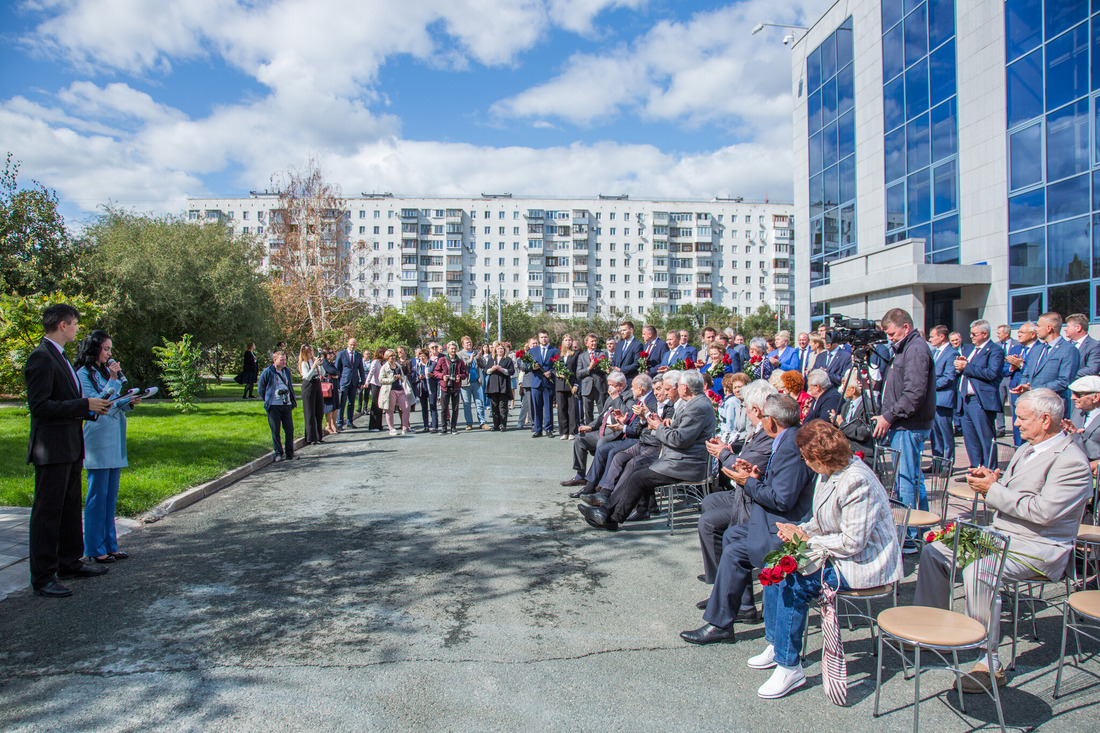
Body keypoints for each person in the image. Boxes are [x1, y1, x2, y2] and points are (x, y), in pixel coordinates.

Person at [914, 388, 1093, 692]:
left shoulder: (1071, 462)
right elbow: (1015, 491)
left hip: (1039, 546)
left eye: (1023, 418)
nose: (1017, 424)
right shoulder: (1027, 449)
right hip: (1003, 535)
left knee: (979, 570)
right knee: (935, 551)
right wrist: (993, 480)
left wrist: (992, 491)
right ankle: (932, 633)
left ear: (1045, 420)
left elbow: (1044, 512)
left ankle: (989, 661)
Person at [747, 419, 903, 699]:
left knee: (794, 578)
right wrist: (800, 531)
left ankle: (789, 667)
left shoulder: (857, 480)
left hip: (865, 561)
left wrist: (807, 540)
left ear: (820, 458)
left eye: (807, 459)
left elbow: (853, 542)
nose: (805, 464)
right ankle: (776, 643)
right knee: (775, 565)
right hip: (840, 551)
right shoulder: (829, 473)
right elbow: (821, 520)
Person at [680, 395, 815, 642]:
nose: (761, 421)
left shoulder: (790, 446)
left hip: (788, 529)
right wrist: (756, 475)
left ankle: (719, 624)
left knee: (734, 550)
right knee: (732, 534)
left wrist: (748, 482)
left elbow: (782, 500)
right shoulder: (787, 439)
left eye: (763, 417)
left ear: (772, 422)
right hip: (775, 518)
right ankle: (742, 607)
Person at [25, 304, 111, 597]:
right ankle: (43, 576)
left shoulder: (60, 358)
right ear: (62, 325)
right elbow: (39, 406)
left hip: (71, 446)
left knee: (70, 507)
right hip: (51, 449)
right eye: (74, 323)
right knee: (47, 513)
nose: (77, 328)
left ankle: (69, 562)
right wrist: (83, 405)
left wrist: (90, 408)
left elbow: (69, 402)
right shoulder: (41, 358)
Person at [578, 371, 714, 531]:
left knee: (638, 477)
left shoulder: (697, 407)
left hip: (686, 464)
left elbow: (679, 439)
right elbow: (681, 434)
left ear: (684, 387)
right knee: (636, 470)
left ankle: (611, 517)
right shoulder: (695, 403)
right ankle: (606, 512)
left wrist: (659, 426)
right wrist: (664, 424)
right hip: (679, 459)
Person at [698, 379, 778, 584]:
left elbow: (745, 466)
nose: (744, 411)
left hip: (754, 498)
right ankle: (718, 575)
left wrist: (723, 453)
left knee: (708, 523)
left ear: (756, 410)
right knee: (709, 502)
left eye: (745, 407)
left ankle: (725, 584)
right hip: (743, 492)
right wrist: (727, 449)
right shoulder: (758, 429)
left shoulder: (768, 433)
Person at [75, 329, 140, 565]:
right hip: (98, 438)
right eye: (106, 349)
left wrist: (129, 401)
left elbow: (114, 403)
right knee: (97, 496)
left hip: (115, 436)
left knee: (110, 497)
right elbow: (98, 404)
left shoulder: (104, 373)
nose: (110, 354)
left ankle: (111, 545)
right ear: (94, 349)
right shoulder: (83, 374)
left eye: (110, 349)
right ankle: (94, 547)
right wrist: (113, 381)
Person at [871, 308, 935, 548]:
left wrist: (889, 416)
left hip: (908, 425)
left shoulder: (916, 349)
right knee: (912, 480)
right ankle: (922, 531)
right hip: (904, 424)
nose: (890, 338)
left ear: (906, 327)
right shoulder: (904, 348)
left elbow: (914, 393)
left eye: (892, 333)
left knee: (905, 480)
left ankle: (908, 536)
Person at [585, 372, 680, 512]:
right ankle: (605, 493)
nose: (658, 393)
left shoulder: (668, 407)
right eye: (656, 389)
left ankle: (613, 503)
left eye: (662, 389)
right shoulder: (653, 405)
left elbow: (656, 431)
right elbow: (641, 426)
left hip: (655, 446)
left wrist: (642, 418)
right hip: (643, 442)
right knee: (618, 456)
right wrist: (633, 419)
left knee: (632, 463)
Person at [561, 372, 633, 491]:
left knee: (602, 443)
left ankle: (597, 480)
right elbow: (602, 415)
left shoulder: (629, 395)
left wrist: (616, 398)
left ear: (620, 385)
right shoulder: (611, 395)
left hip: (616, 432)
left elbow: (627, 414)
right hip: (602, 429)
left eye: (611, 385)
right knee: (580, 439)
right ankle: (580, 475)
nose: (609, 388)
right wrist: (590, 427)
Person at [955, 319, 1007, 473]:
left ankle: (989, 470)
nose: (971, 337)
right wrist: (962, 366)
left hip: (981, 400)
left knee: (985, 437)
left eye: (974, 334)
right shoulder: (972, 350)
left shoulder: (994, 350)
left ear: (985, 334)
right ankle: (975, 468)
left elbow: (992, 373)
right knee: (970, 438)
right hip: (966, 400)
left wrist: (967, 367)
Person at [1013, 311, 1080, 419]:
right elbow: (1026, 373)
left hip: (1052, 408)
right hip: (1032, 406)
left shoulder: (1069, 350)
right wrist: (1023, 387)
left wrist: (1033, 389)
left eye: (1038, 326)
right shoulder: (1036, 350)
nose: (1036, 329)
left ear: (1049, 328)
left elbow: (1064, 381)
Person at [258, 350, 297, 461]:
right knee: (275, 430)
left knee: (289, 429)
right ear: (275, 360)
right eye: (281, 360)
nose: (284, 362)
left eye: (285, 359)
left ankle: (290, 454)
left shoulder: (286, 371)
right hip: (274, 405)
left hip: (286, 404)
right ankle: (278, 453)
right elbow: (261, 389)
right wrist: (268, 399)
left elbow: (289, 385)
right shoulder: (268, 372)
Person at [928, 325, 959, 464]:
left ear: (942, 337)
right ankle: (937, 463)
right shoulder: (935, 352)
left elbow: (949, 377)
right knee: (935, 434)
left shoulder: (951, 353)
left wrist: (930, 385)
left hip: (943, 399)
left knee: (945, 434)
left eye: (933, 336)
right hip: (933, 400)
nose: (930, 339)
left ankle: (947, 464)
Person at [1005, 322, 1038, 445]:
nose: (1018, 335)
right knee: (1017, 425)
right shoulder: (1015, 349)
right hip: (1016, 392)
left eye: (1022, 332)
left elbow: (1036, 370)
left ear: (1033, 334)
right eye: (1018, 332)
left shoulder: (1039, 348)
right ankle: (1018, 449)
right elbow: (1004, 369)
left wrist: (1021, 365)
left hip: (1030, 391)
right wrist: (1011, 367)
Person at [833, 368, 875, 458]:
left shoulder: (869, 406)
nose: (842, 388)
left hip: (862, 453)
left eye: (844, 385)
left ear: (853, 390)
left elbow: (864, 433)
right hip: (847, 451)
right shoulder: (846, 405)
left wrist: (842, 424)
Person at [1065, 375, 1100, 470]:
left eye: (1078, 395)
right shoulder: (1078, 412)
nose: (1072, 398)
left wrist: (1076, 436)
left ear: (1096, 397)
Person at [529, 330, 559, 437]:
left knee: (548, 407)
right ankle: (537, 429)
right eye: (541, 337)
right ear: (538, 338)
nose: (544, 339)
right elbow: (525, 365)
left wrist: (551, 372)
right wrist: (532, 367)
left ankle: (549, 429)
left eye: (545, 337)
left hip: (548, 383)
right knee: (537, 408)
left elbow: (558, 366)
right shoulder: (533, 351)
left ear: (548, 338)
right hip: (536, 383)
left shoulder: (554, 351)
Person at [433, 342, 467, 435]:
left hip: (456, 387)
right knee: (444, 408)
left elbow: (464, 374)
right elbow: (436, 371)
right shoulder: (442, 360)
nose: (453, 350)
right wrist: (442, 376)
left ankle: (453, 427)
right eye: (451, 349)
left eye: (455, 349)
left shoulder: (460, 361)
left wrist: (459, 376)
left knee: (455, 408)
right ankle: (444, 428)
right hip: (445, 387)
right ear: (447, 349)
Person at [575, 333, 608, 424]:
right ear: (586, 343)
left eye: (595, 341)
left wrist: (595, 366)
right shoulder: (581, 356)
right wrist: (588, 368)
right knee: (588, 411)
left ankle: (602, 428)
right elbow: (578, 373)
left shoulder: (602, 354)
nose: (594, 343)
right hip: (587, 388)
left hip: (599, 386)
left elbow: (605, 369)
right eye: (592, 341)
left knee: (602, 410)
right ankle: (590, 429)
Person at [378, 349, 412, 436]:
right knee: (390, 410)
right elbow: (381, 379)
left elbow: (403, 376)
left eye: (394, 355)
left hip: (400, 389)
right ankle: (391, 428)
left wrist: (401, 378)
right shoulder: (384, 367)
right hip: (390, 390)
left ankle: (405, 427)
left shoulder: (397, 365)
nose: (393, 357)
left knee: (406, 407)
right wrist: (392, 379)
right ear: (387, 357)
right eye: (391, 356)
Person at [334, 338, 366, 429]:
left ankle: (350, 422)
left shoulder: (358, 355)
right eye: (351, 344)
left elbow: (361, 369)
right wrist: (338, 382)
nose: (352, 346)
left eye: (354, 345)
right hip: (343, 381)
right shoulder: (341, 354)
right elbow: (337, 369)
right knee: (342, 402)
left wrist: (362, 381)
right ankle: (339, 423)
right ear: (348, 344)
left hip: (354, 382)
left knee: (351, 403)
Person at [483, 342, 515, 431]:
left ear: (504, 350)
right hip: (493, 385)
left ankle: (503, 425)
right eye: (498, 349)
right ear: (495, 350)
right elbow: (485, 371)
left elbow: (511, 371)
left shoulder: (507, 359)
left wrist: (502, 369)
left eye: (501, 349)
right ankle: (496, 425)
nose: (500, 350)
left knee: (503, 406)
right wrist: (492, 369)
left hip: (503, 384)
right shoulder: (491, 359)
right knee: (494, 406)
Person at [458, 336, 486, 431]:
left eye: (470, 342)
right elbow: (462, 366)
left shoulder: (476, 353)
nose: (469, 344)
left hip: (476, 382)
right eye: (467, 343)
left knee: (480, 403)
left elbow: (483, 365)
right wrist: (470, 360)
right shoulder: (460, 355)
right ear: (463, 344)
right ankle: (469, 423)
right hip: (465, 383)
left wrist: (478, 359)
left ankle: (482, 422)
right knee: (467, 404)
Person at [554, 334, 579, 439]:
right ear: (562, 342)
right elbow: (553, 368)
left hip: (571, 385)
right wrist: (558, 374)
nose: (568, 342)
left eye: (570, 340)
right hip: (560, 385)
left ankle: (572, 432)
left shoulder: (576, 354)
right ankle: (564, 432)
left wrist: (576, 384)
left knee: (572, 409)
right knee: (561, 409)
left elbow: (578, 370)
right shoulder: (558, 354)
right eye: (566, 340)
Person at [297, 345, 324, 445]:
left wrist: (319, 365)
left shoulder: (315, 360)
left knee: (319, 411)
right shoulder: (304, 363)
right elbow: (307, 377)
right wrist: (313, 367)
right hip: (308, 386)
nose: (311, 353)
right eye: (308, 352)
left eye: (311, 351)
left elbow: (323, 373)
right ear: (304, 353)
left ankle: (319, 435)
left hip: (317, 384)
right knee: (310, 412)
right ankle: (311, 437)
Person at [1066, 313, 1100, 379]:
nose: (1065, 329)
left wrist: (1067, 375)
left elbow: (1092, 369)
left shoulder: (1094, 345)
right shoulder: (1065, 345)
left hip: (1079, 386)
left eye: (1068, 326)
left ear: (1078, 328)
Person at [718, 372, 750, 439]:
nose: (737, 390)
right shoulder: (739, 405)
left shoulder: (749, 406)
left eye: (740, 387)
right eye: (735, 388)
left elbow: (750, 431)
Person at [412, 348, 436, 433]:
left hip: (431, 388)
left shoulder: (432, 364)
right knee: (424, 408)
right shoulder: (417, 366)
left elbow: (437, 375)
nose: (422, 358)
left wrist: (432, 375)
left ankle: (434, 426)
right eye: (420, 356)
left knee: (433, 407)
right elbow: (413, 378)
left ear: (427, 356)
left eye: (424, 356)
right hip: (422, 389)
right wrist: (418, 378)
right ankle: (426, 425)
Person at [365, 347, 386, 432]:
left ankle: (379, 424)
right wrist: (367, 382)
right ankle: (373, 426)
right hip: (375, 384)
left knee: (381, 405)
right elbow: (371, 372)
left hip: (381, 384)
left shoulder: (384, 362)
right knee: (375, 405)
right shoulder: (375, 362)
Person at [319, 347, 339, 435]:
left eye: (332, 353)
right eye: (329, 353)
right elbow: (332, 371)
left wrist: (335, 374)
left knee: (336, 405)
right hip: (328, 385)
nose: (331, 354)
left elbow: (337, 372)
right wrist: (334, 373)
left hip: (334, 384)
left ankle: (334, 424)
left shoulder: (331, 363)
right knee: (329, 406)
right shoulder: (324, 363)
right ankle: (328, 425)